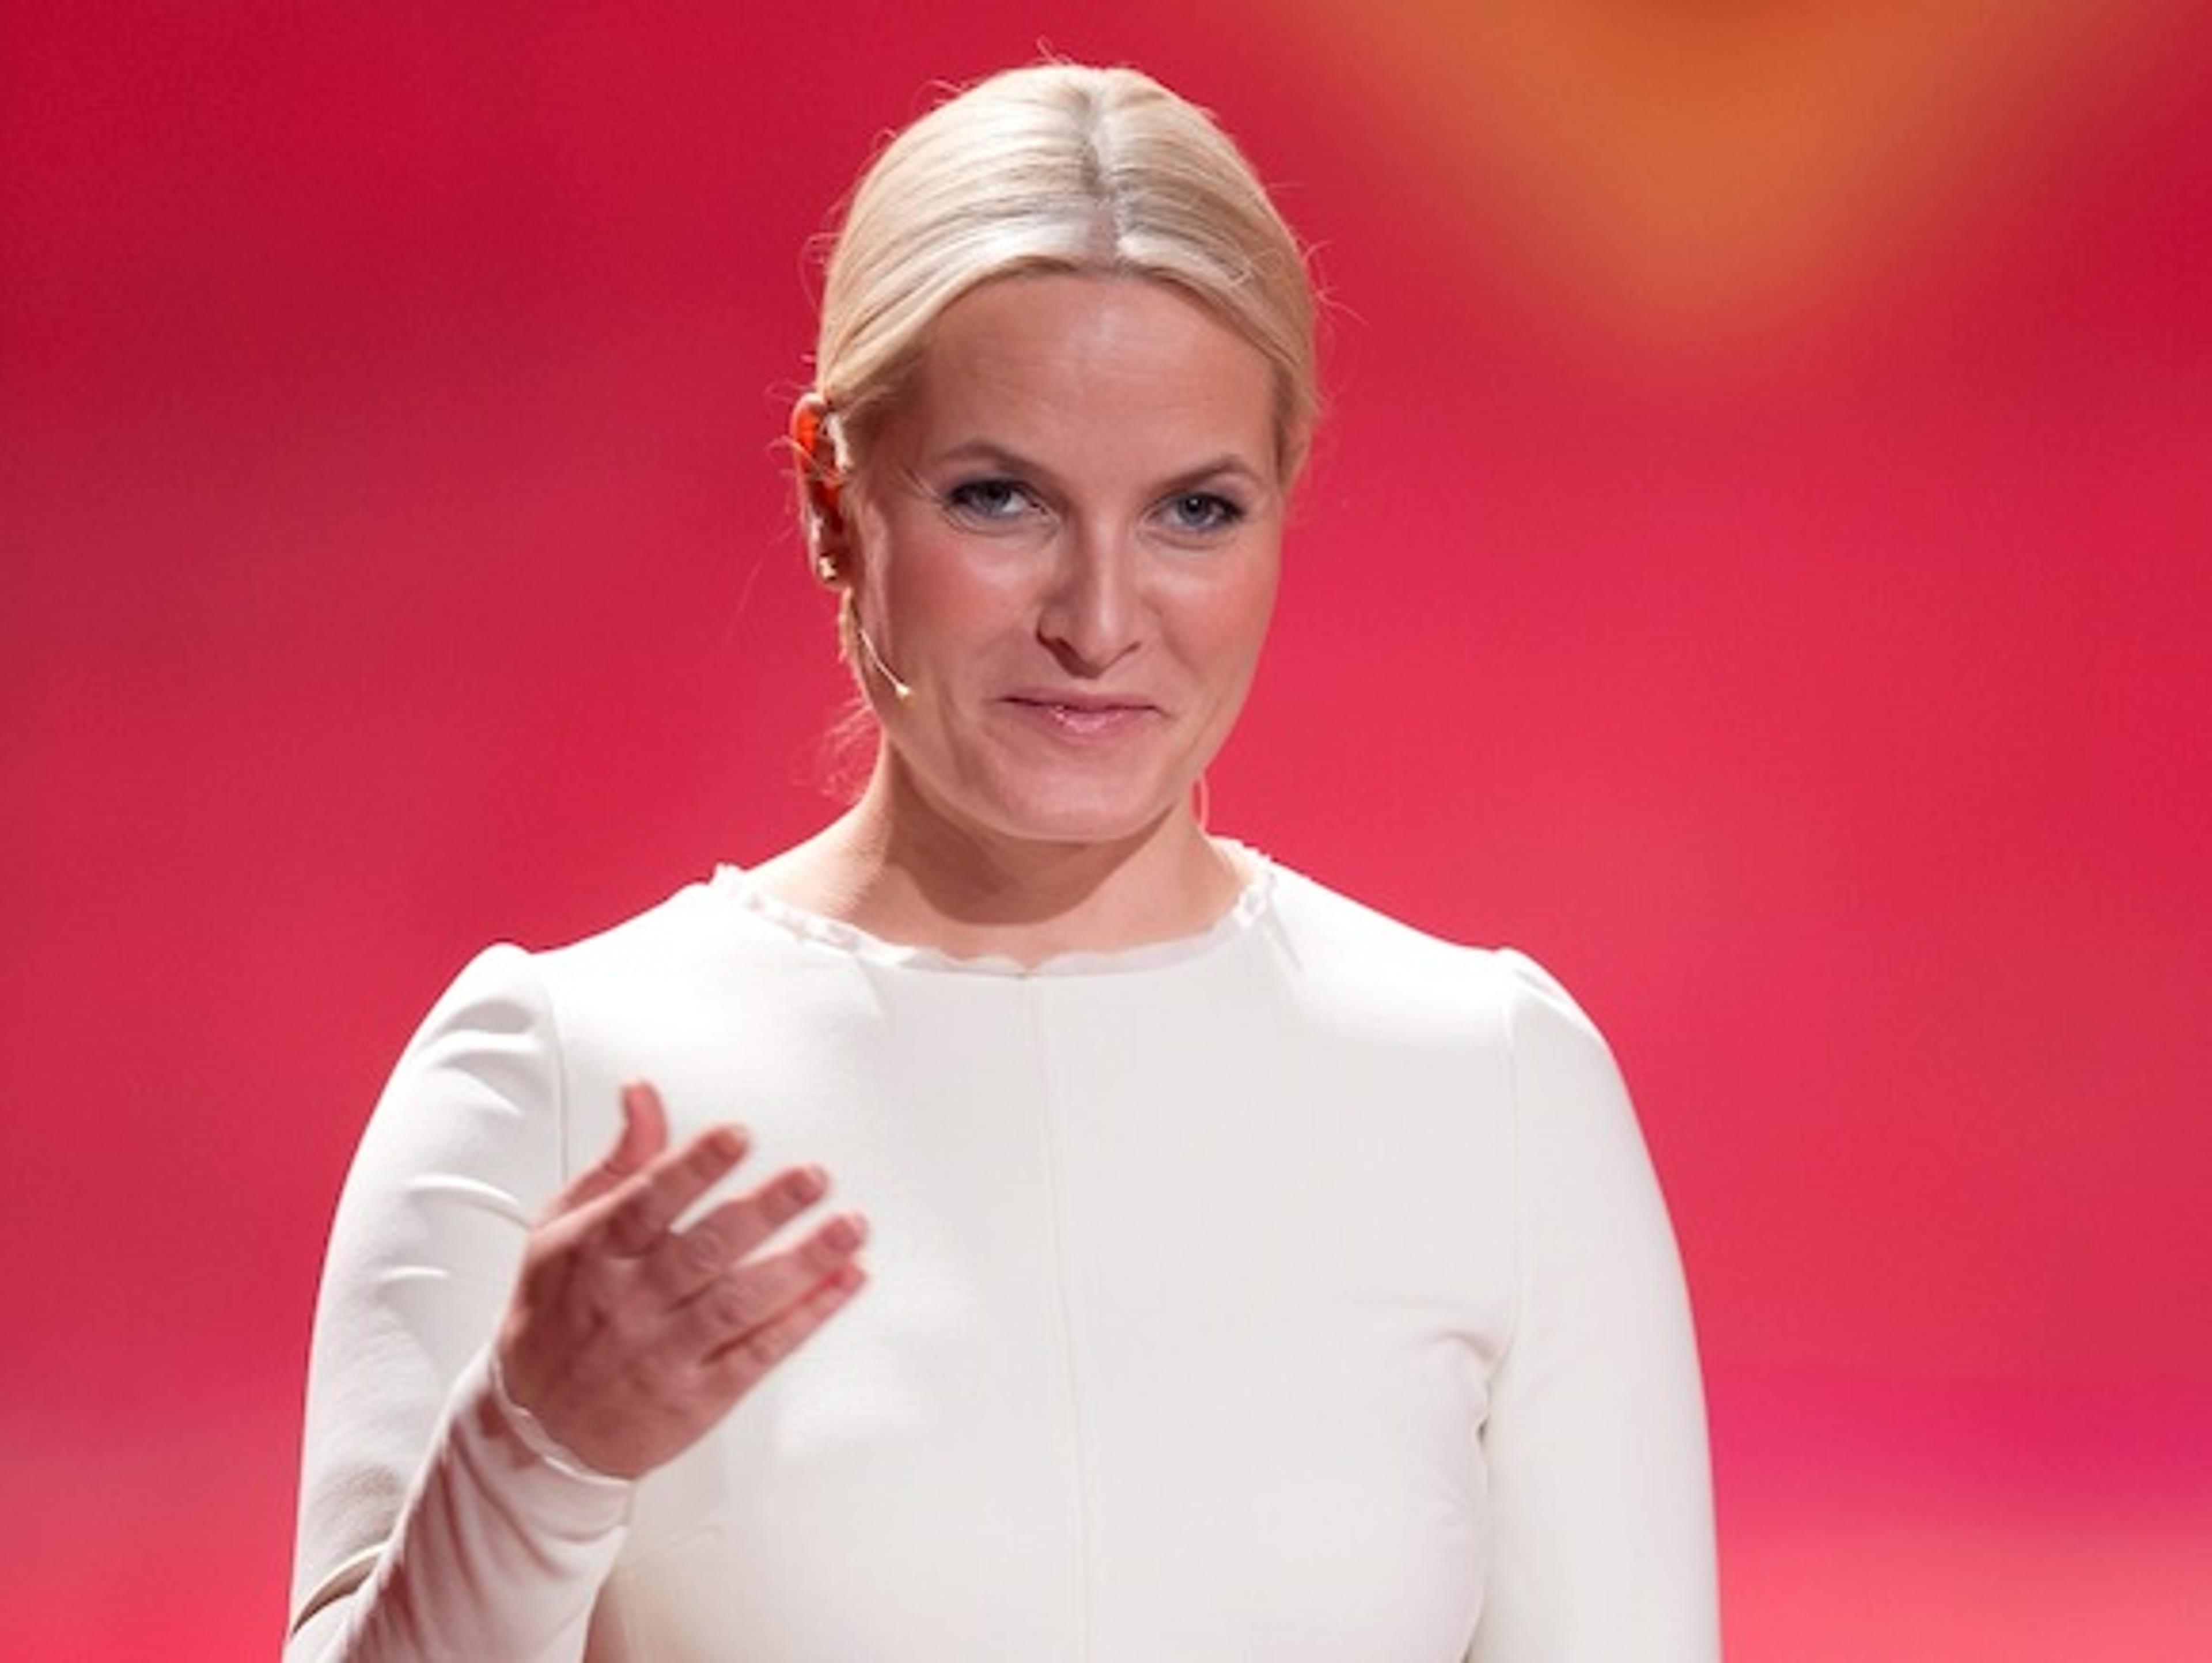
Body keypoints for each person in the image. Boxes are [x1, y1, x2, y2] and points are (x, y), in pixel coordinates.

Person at [286, 60, 1718, 1662]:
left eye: (1194, 511)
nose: (1099, 622)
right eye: (1000, 499)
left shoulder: (1491, 1084)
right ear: (833, 497)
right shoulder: (559, 1076)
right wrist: (532, 1456)